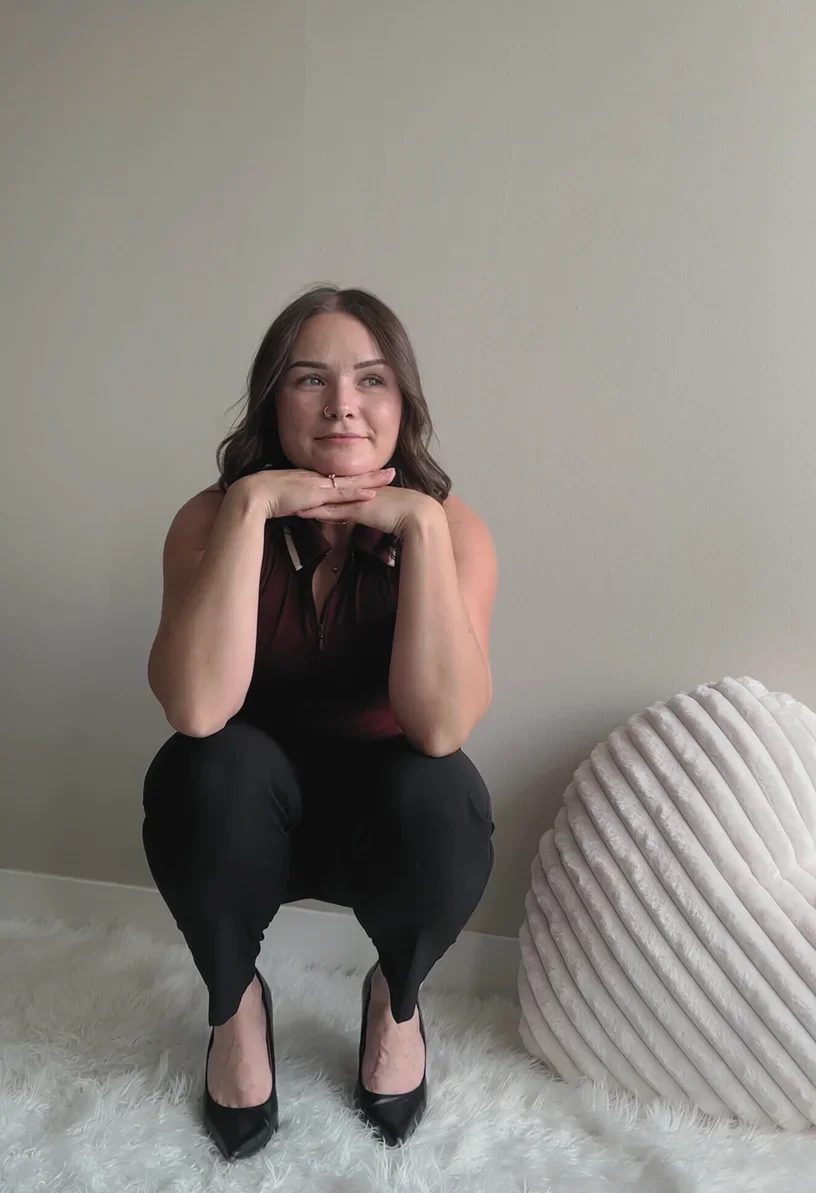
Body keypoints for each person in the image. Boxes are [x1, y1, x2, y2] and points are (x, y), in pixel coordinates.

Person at [141, 285, 498, 1161]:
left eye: (371, 379)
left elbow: (442, 723)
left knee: (445, 791)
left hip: (388, 828)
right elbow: (194, 706)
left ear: (402, 402)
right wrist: (252, 509)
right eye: (311, 378)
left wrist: (418, 525)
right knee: (201, 766)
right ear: (274, 400)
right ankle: (234, 1009)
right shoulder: (209, 518)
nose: (343, 401)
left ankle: (397, 1002)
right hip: (251, 824)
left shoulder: (453, 528)